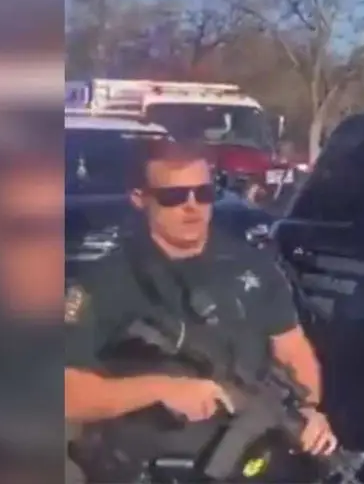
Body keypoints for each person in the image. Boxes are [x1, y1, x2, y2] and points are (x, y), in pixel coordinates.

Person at [64, 139, 337, 480]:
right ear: (140, 198)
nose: (192, 206)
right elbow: (69, 394)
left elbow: (293, 349)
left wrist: (308, 411)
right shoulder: (105, 280)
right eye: (173, 196)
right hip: (152, 467)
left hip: (254, 456)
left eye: (204, 193)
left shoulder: (250, 263)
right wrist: (162, 389)